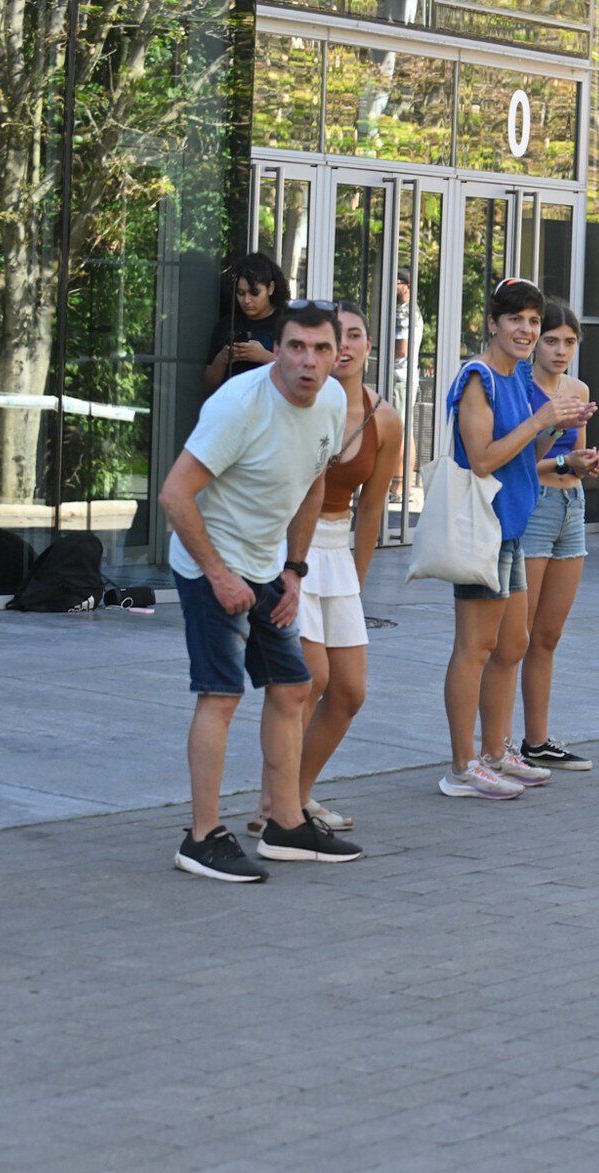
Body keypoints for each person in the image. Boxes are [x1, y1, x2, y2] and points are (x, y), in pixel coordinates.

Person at [159, 300, 364, 881]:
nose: (309, 360)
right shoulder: (239, 406)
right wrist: (220, 575)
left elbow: (312, 482)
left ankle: (285, 824)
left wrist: (294, 570)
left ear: (336, 355)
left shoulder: (330, 401)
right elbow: (176, 495)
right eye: (296, 346)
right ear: (277, 348)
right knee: (221, 695)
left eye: (322, 349)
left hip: (267, 562)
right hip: (209, 561)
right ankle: (201, 838)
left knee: (294, 686)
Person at [247, 300, 403, 835]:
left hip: (339, 556)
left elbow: (373, 509)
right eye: (338, 337)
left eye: (356, 335)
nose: (346, 347)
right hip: (288, 548)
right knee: (307, 680)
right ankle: (274, 807)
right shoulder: (300, 401)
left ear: (362, 346)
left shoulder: (385, 417)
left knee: (349, 691)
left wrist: (357, 583)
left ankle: (296, 796)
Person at [439, 277, 594, 799]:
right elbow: (482, 458)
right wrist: (543, 420)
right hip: (483, 527)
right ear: (493, 324)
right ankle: (462, 767)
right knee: (475, 647)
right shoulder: (479, 377)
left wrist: (558, 431)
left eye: (533, 321)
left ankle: (496, 751)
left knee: (513, 643)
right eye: (518, 321)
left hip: (512, 527)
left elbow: (523, 455)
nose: (528, 330)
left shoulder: (513, 379)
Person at [518, 299, 599, 772]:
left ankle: (537, 740)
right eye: (550, 340)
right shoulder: (519, 386)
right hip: (533, 508)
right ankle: (495, 745)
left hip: (572, 507)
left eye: (568, 342)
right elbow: (515, 464)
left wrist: (588, 463)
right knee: (517, 634)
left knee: (548, 635)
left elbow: (579, 452)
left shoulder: (577, 386)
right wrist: (561, 455)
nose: (559, 350)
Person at [205, 253, 289, 392]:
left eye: (254, 293)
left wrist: (263, 356)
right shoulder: (227, 324)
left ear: (271, 288)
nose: (247, 300)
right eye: (241, 293)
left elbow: (299, 373)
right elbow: (209, 384)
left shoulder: (288, 323)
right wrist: (222, 358)